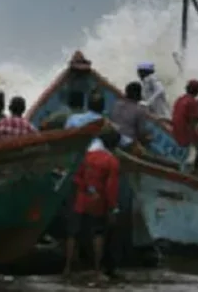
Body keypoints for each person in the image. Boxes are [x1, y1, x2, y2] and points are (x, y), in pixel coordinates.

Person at [63, 131, 122, 284]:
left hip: (81, 199)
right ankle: (97, 270)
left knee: (73, 233)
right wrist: (113, 208)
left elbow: (77, 177)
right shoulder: (112, 161)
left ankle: (68, 268)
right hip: (98, 201)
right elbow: (111, 188)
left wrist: (88, 189)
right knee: (98, 233)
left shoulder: (87, 156)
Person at [108, 82, 153, 148]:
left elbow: (111, 118)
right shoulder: (140, 110)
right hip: (125, 141)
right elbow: (141, 132)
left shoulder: (117, 103)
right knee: (149, 137)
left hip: (111, 135)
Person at [171, 79, 198, 172]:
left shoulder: (180, 99)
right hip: (184, 138)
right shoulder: (193, 103)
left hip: (174, 134)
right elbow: (192, 124)